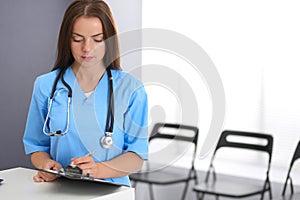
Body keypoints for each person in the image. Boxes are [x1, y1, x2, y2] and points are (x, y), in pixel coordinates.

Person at [23, 0, 148, 187]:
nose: (87, 48)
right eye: (77, 39)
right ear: (67, 39)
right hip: (59, 189)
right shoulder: (45, 85)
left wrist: (98, 170)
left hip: (112, 192)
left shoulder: (131, 89)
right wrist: (46, 165)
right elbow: (37, 146)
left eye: (97, 39)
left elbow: (137, 156)